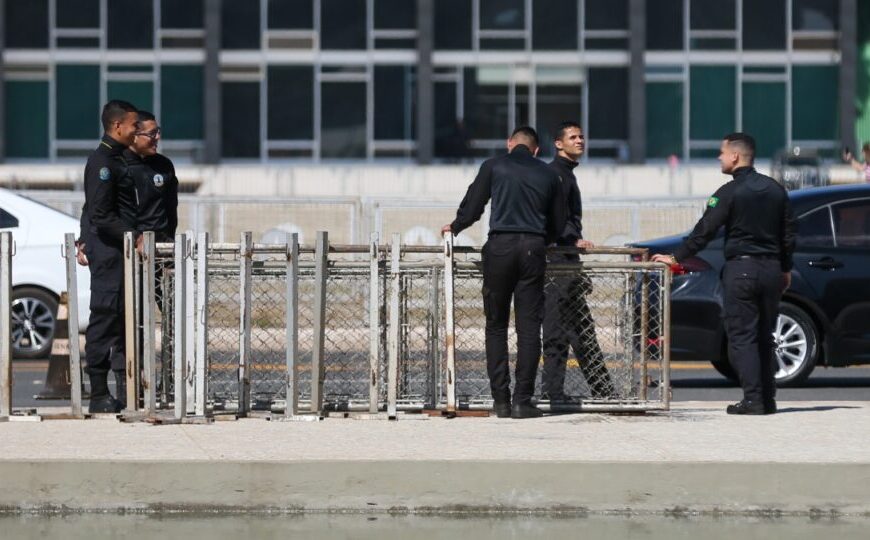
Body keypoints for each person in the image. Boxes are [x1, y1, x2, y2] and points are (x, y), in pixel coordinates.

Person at [652, 133, 796, 415]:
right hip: (772, 271)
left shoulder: (728, 193)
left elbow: (704, 232)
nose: (719, 157)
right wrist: (786, 267)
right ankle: (767, 399)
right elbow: (789, 233)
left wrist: (675, 257)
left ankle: (753, 400)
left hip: (741, 270)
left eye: (721, 153)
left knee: (741, 337)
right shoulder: (776, 190)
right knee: (765, 336)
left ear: (735, 156)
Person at [442, 126, 566, 419]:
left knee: (496, 326)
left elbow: (474, 205)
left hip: (499, 247)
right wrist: (540, 241)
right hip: (533, 249)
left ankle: (501, 400)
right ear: (536, 150)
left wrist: (456, 226)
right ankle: (523, 401)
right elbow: (559, 223)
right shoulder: (549, 174)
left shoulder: (493, 166)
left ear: (510, 144)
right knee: (528, 328)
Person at [541, 121, 615, 402]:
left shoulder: (567, 175)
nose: (580, 141)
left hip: (568, 264)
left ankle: (603, 390)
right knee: (558, 331)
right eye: (573, 137)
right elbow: (555, 218)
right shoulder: (555, 175)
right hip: (558, 263)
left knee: (582, 329)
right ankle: (552, 392)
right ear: (558, 144)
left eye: (582, 136)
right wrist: (571, 240)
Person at [76, 100, 141, 414]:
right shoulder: (103, 161)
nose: (136, 130)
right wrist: (134, 237)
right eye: (133, 125)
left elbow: (90, 208)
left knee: (119, 321)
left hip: (117, 250)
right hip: (110, 252)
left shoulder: (118, 159)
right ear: (118, 126)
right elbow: (100, 214)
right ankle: (99, 394)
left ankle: (121, 392)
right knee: (104, 318)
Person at [123, 111, 179, 243]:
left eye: (158, 131)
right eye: (152, 133)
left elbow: (171, 208)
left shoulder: (164, 164)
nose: (158, 137)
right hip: (130, 246)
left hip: (162, 246)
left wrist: (169, 239)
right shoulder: (117, 165)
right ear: (134, 136)